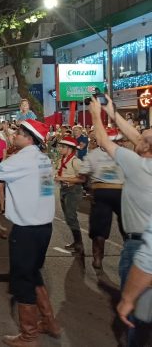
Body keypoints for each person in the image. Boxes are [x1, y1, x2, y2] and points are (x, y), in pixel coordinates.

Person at [0, 119, 60, 346]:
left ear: (29, 138)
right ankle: (49, 321)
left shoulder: (22, 159)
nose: (14, 134)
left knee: (23, 281)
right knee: (34, 274)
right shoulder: (42, 158)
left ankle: (29, 335)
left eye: (19, 132)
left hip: (26, 230)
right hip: (44, 228)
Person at [89, 95, 152, 346]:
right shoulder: (144, 159)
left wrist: (96, 112)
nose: (136, 135)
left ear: (146, 148)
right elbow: (139, 139)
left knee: (136, 314)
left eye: (143, 136)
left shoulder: (139, 166)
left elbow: (103, 140)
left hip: (140, 248)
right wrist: (111, 110)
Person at [79, 128, 125, 269]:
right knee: (126, 226)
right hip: (121, 191)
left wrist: (88, 186)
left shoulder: (93, 154)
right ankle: (133, 254)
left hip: (101, 190)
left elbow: (83, 174)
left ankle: (97, 258)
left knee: (99, 227)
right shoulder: (122, 153)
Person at [54, 136, 85, 255]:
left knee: (71, 216)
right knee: (68, 217)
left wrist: (62, 178)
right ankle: (76, 242)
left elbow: (82, 178)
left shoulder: (75, 161)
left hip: (73, 190)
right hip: (64, 189)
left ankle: (79, 243)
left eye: (63, 147)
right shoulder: (61, 159)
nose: (60, 148)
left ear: (70, 149)